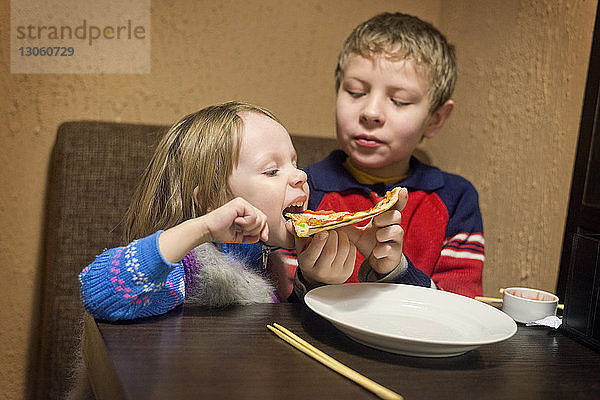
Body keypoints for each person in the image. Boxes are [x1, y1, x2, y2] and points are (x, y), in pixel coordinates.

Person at [79, 101, 433, 321]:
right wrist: (198, 229)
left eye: (294, 163)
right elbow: (100, 291)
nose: (301, 176)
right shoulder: (197, 268)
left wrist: (319, 284)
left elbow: (277, 341)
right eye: (272, 170)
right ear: (211, 202)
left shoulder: (267, 260)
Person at [297, 12, 484, 298]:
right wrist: (311, 280)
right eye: (356, 92)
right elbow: (270, 302)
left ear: (435, 119)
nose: (370, 113)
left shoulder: (456, 198)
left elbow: (460, 309)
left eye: (399, 100)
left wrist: (396, 271)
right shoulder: (301, 188)